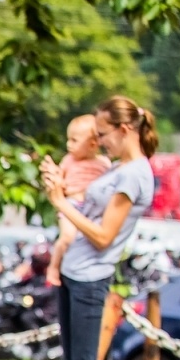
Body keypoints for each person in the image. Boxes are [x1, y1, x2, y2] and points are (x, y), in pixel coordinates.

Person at [39, 96, 154, 360]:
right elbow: (85, 207)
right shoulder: (119, 169)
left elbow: (104, 236)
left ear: (124, 130)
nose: (99, 142)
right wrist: (60, 185)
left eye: (103, 134)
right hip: (74, 273)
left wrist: (59, 203)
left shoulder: (135, 175)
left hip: (91, 279)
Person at [45, 114, 111, 288]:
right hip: (71, 205)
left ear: (92, 144)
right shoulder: (68, 160)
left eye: (74, 140)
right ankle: (53, 267)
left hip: (91, 208)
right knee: (67, 237)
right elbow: (59, 180)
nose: (69, 145)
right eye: (68, 140)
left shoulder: (103, 163)